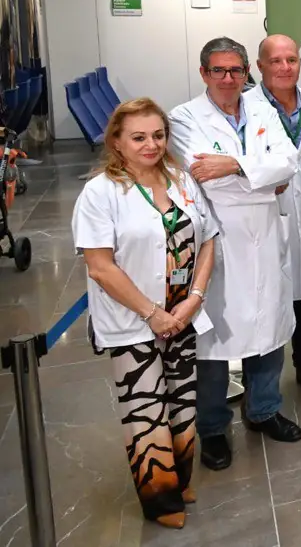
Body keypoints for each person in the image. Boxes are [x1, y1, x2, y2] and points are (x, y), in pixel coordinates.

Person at [72, 99, 218, 528]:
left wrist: (195, 297)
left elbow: (208, 238)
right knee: (145, 409)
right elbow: (100, 267)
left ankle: (182, 479)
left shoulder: (181, 179)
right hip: (133, 323)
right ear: (116, 142)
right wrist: (152, 314)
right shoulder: (100, 192)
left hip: (182, 316)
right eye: (138, 137)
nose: (151, 144)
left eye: (158, 135)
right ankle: (161, 499)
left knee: (182, 403)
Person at [168, 37, 301, 471]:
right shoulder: (184, 118)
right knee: (213, 341)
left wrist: (234, 165)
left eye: (236, 70)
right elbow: (203, 177)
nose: (228, 78)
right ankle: (212, 428)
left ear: (247, 73)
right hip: (219, 240)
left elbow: (289, 162)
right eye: (219, 70)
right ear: (203, 73)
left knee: (268, 329)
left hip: (265, 234)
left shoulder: (262, 109)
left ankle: (264, 410)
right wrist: (262, 176)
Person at [244, 35, 301, 399]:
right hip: (263, 216)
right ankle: (260, 384)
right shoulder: (244, 107)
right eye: (276, 61)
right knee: (265, 298)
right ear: (259, 66)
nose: (284, 67)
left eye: (291, 60)